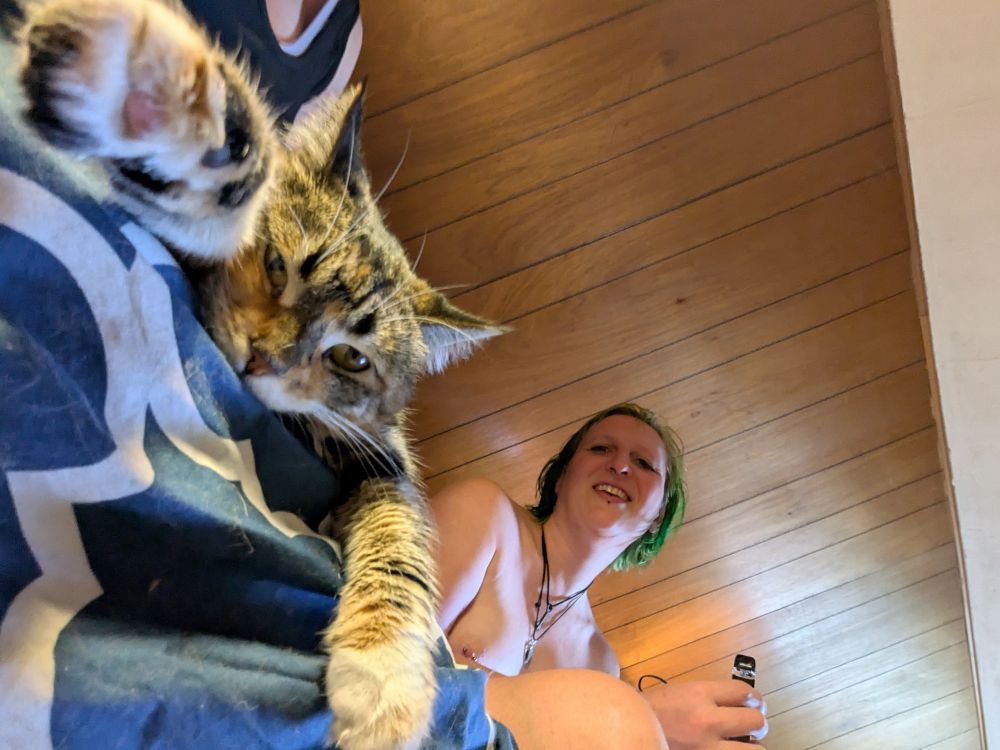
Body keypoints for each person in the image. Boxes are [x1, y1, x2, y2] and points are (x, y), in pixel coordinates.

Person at [431, 403, 770, 748]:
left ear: (658, 515)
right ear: (561, 476)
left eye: (643, 463)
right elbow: (396, 664)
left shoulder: (600, 661)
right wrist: (629, 713)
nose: (620, 465)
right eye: (601, 448)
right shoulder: (483, 511)